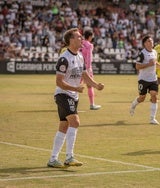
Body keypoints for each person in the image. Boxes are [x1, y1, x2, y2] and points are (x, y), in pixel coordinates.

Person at [47, 28, 104, 168]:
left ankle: (53, 159)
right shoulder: (64, 58)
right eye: (78, 37)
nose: (81, 39)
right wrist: (76, 88)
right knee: (75, 122)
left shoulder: (79, 56)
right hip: (63, 94)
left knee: (64, 126)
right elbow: (59, 82)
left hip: (73, 95)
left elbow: (85, 75)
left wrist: (96, 85)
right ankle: (69, 157)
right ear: (70, 40)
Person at [129, 35, 160, 125]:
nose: (151, 42)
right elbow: (137, 66)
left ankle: (152, 118)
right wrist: (148, 64)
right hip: (143, 79)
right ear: (145, 43)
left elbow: (154, 62)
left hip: (153, 78)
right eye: (149, 41)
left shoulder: (155, 52)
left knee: (154, 95)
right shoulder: (142, 53)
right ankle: (133, 105)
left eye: (151, 40)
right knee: (142, 98)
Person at [81, 29, 101, 110]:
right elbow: (89, 58)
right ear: (90, 36)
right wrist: (88, 69)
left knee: (74, 85)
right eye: (92, 36)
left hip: (77, 65)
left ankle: (69, 102)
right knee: (90, 86)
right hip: (85, 67)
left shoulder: (80, 43)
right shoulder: (89, 45)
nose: (93, 37)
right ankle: (92, 104)